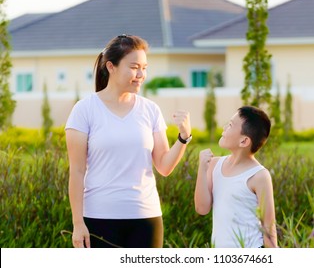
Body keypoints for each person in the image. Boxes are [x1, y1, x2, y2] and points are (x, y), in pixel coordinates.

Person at [65, 34, 192, 248]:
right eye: (134, 67)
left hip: (146, 218)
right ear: (111, 67)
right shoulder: (84, 110)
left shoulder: (150, 110)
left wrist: (184, 137)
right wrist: (78, 223)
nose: (141, 74)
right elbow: (77, 171)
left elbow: (164, 166)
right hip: (99, 217)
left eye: (145, 67)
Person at [194, 106, 277, 248]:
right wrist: (202, 168)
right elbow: (202, 208)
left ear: (244, 141)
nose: (224, 128)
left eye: (230, 125)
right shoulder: (214, 165)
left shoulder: (259, 176)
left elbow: (268, 227)